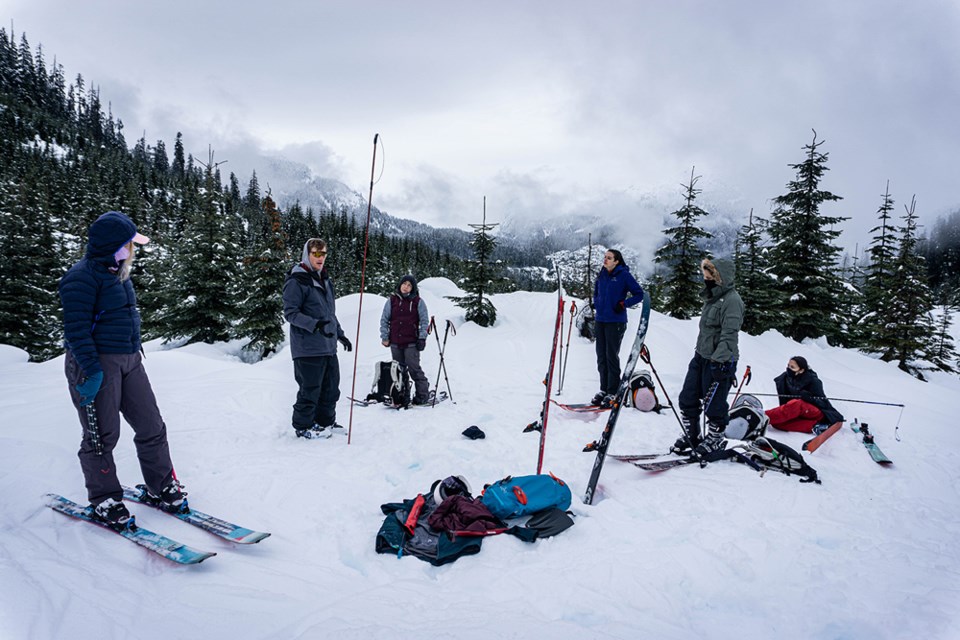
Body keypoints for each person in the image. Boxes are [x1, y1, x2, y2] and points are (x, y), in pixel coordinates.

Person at [59, 211, 185, 529]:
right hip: (96, 364)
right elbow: (76, 330)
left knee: (151, 424)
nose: (133, 249)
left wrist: (134, 352)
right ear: (115, 246)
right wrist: (91, 370)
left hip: (130, 360)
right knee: (101, 435)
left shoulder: (117, 272)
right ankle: (105, 499)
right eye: (130, 244)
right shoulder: (81, 276)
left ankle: (162, 487)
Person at [672, 258, 745, 457]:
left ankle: (715, 438)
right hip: (701, 356)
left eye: (709, 277)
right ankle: (692, 434)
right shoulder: (713, 297)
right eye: (704, 277)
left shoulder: (732, 301)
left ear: (721, 278)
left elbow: (729, 335)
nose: (706, 281)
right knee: (687, 397)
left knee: (714, 404)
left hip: (720, 361)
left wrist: (719, 361)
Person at [283, 238, 352, 439]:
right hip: (307, 347)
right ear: (308, 254)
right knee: (310, 389)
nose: (321, 258)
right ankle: (303, 426)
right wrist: (314, 325)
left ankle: (325, 422)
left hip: (328, 345)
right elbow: (291, 313)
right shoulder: (297, 281)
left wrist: (340, 335)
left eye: (323, 254)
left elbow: (330, 313)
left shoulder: (325, 279)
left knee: (331, 389)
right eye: (316, 254)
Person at [590, 249, 645, 405]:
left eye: (609, 258)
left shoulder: (623, 275)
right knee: (601, 355)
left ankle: (613, 391)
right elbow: (596, 292)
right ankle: (603, 389)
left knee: (611, 356)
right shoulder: (602, 274)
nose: (605, 260)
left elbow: (639, 294)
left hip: (616, 321)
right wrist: (598, 304)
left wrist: (624, 304)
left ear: (617, 261)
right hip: (601, 320)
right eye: (605, 257)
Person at [379, 275, 431, 405]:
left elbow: (424, 321)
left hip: (411, 342)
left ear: (412, 288)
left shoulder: (418, 302)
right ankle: (401, 395)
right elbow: (384, 319)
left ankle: (422, 395)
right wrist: (385, 337)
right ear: (400, 284)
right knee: (398, 371)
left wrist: (422, 338)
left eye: (409, 285)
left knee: (414, 369)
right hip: (395, 341)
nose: (406, 287)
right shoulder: (391, 301)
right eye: (404, 284)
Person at [767, 356, 844, 432]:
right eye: (788, 366)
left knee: (797, 403)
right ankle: (815, 426)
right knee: (776, 422)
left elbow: (823, 403)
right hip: (796, 411)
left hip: (816, 412)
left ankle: (761, 416)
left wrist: (810, 399)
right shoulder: (785, 378)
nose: (788, 369)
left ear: (801, 370)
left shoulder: (813, 381)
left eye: (792, 367)